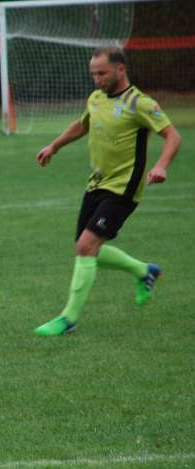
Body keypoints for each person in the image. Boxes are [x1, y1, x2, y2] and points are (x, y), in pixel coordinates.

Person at [34, 47, 181, 336]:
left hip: (124, 188)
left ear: (120, 69)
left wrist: (161, 166)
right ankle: (144, 271)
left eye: (102, 73)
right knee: (88, 248)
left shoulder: (140, 103)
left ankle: (68, 318)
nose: (97, 79)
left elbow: (172, 135)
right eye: (93, 74)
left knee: (85, 247)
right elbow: (82, 125)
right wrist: (54, 146)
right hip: (96, 184)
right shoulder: (96, 98)